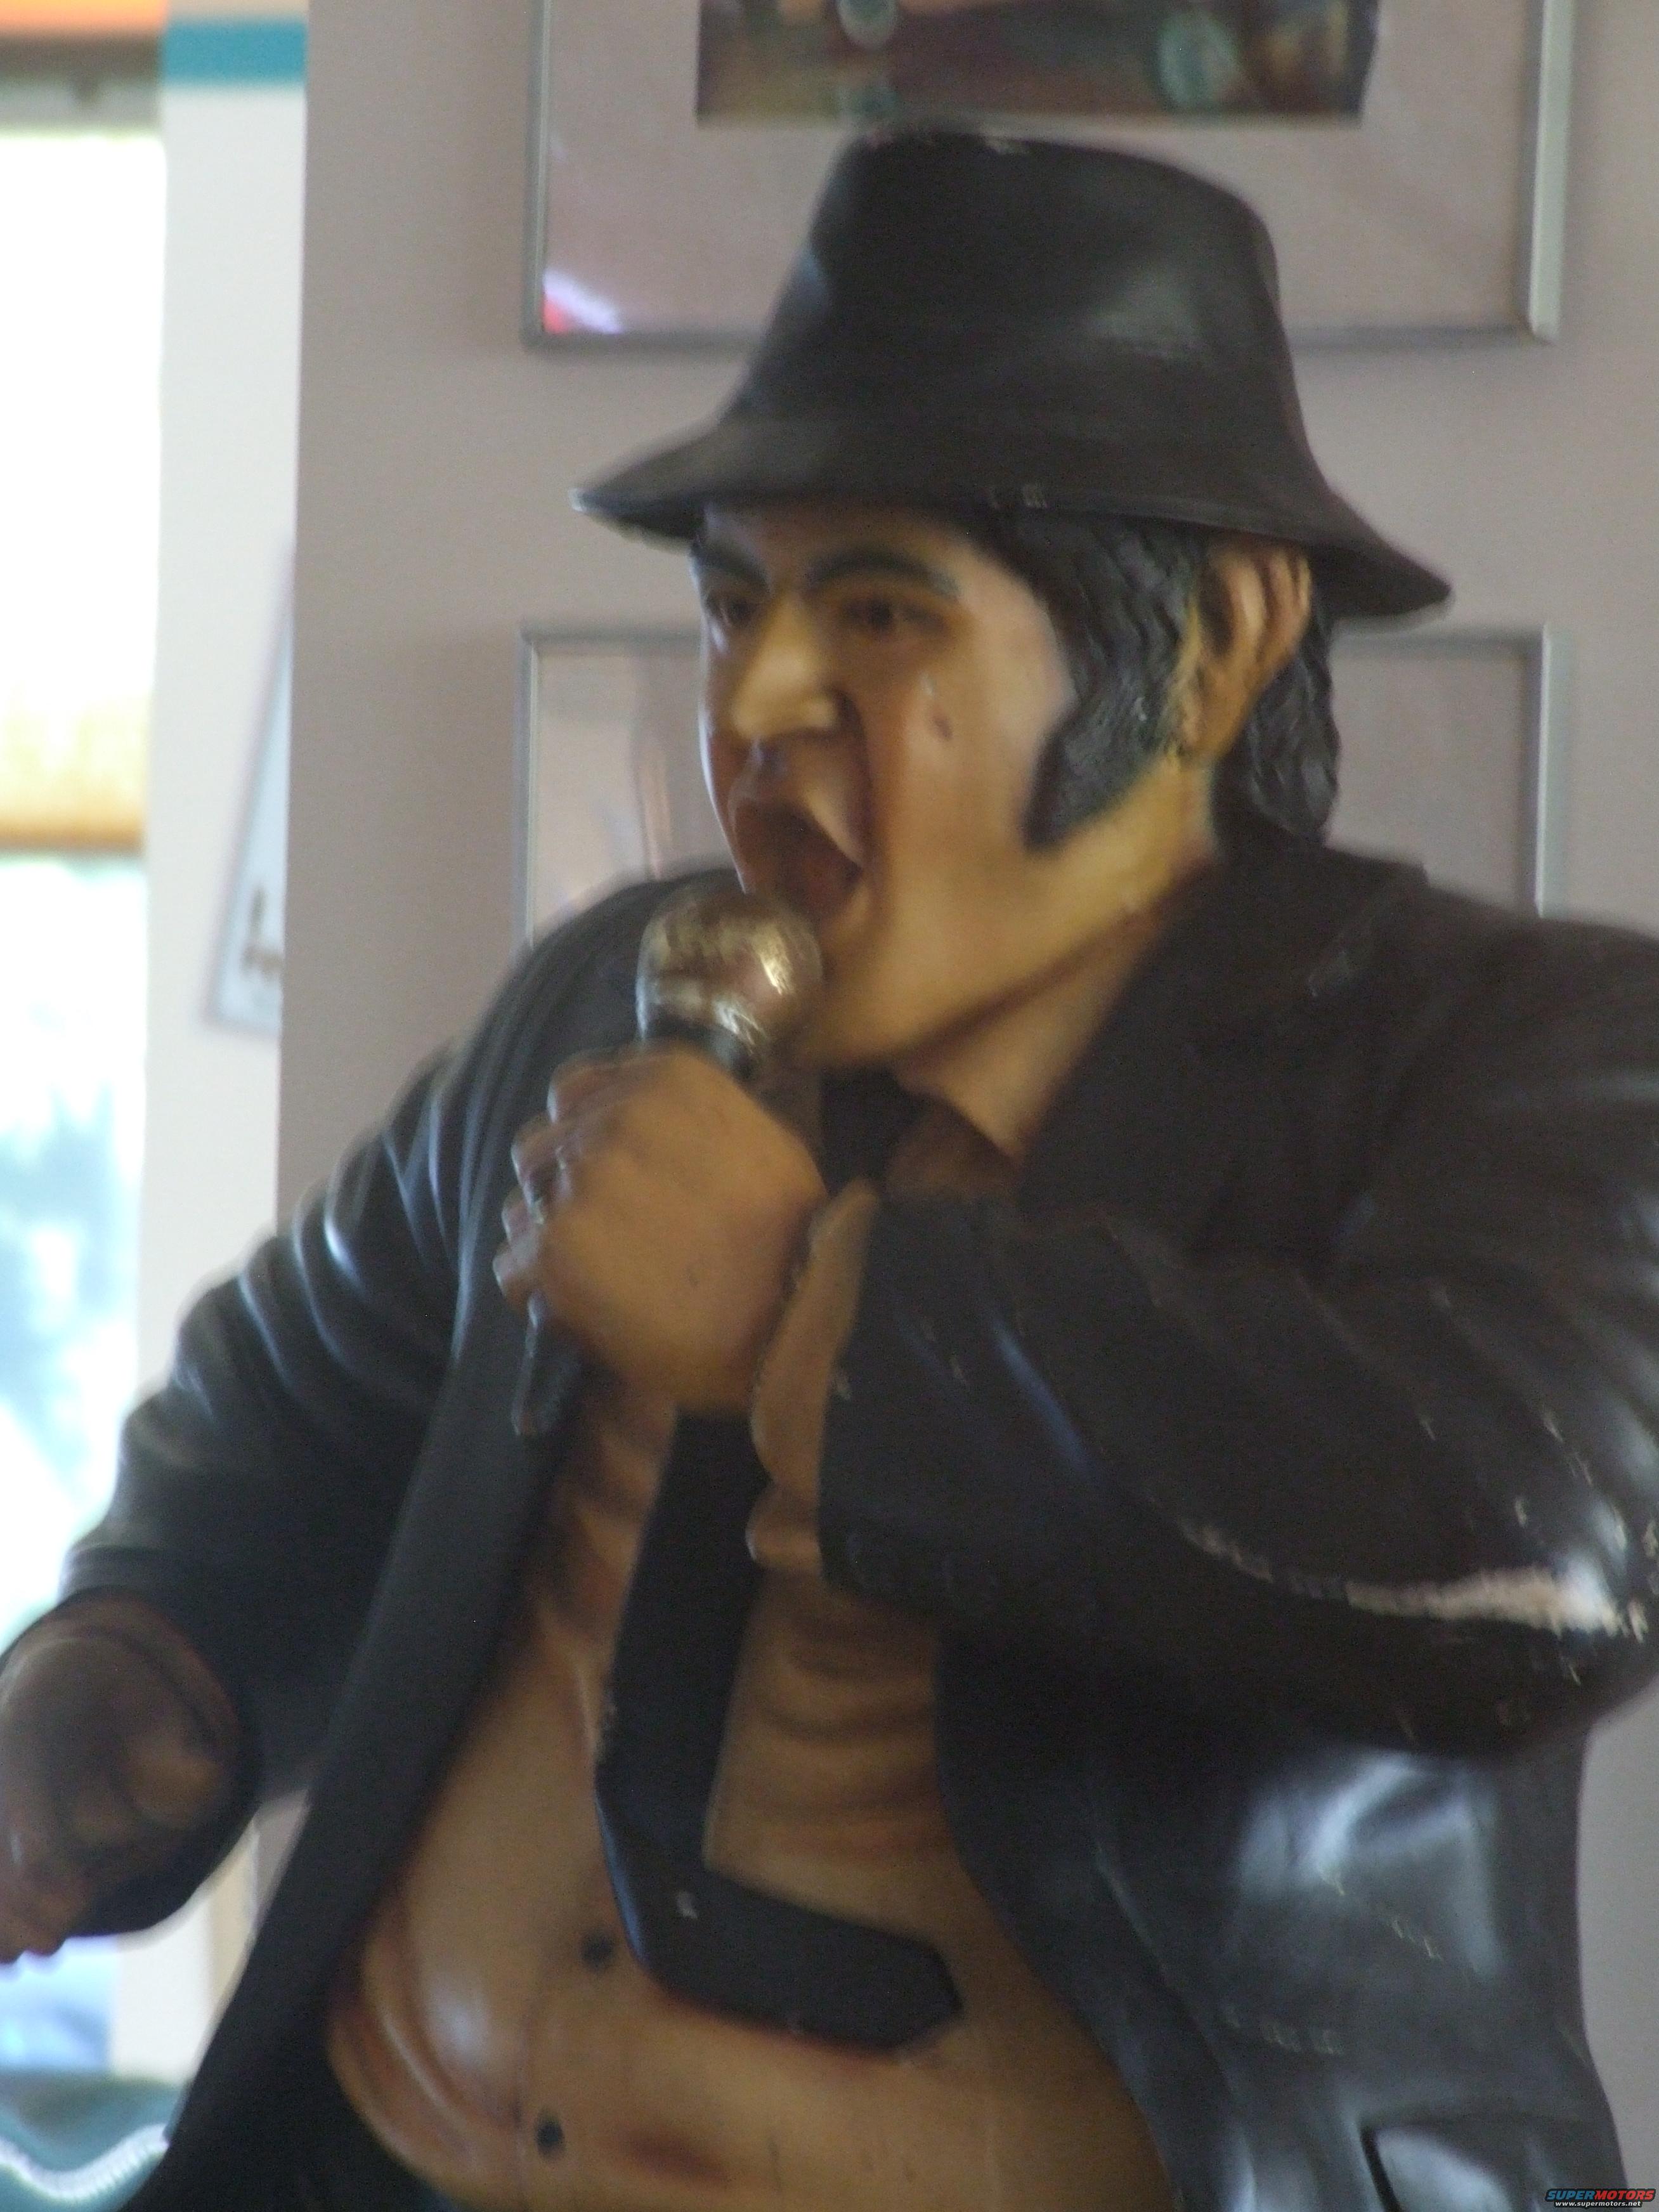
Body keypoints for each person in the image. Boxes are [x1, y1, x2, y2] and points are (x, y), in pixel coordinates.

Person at [0, 129, 1651, 2211]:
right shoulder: (607, 998)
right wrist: (127, 1683)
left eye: (877, 610)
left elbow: (1534, 1546)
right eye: (734, 602)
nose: (757, 698)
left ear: (1214, 648)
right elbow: (299, 1415)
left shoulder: (1500, 1051)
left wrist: (812, 1318)